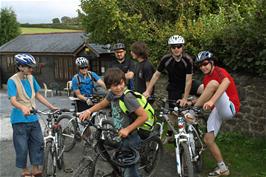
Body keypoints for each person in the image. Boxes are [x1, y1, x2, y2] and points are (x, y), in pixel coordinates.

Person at [80, 68, 147, 177]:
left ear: (124, 82)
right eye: (115, 85)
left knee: (130, 170)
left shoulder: (128, 98)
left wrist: (127, 129)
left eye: (121, 83)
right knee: (120, 159)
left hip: (131, 136)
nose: (119, 87)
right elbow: (102, 104)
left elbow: (144, 116)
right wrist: (89, 111)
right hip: (120, 134)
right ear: (109, 87)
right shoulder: (112, 94)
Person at [7, 53, 58, 177]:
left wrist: (51, 106)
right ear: (20, 67)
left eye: (32, 67)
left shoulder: (31, 78)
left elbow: (38, 95)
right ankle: (24, 170)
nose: (31, 69)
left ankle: (35, 168)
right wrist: (22, 107)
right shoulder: (12, 81)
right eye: (29, 67)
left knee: (38, 143)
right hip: (19, 120)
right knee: (22, 147)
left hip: (33, 118)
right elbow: (13, 100)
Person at [192, 51, 240, 177]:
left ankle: (193, 112)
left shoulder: (218, 71)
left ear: (212, 62)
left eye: (205, 63)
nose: (203, 67)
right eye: (200, 65)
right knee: (208, 139)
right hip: (218, 109)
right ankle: (223, 169)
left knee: (213, 83)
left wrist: (211, 101)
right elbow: (206, 95)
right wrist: (191, 101)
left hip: (230, 107)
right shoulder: (206, 78)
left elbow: (226, 83)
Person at [143, 35, 202, 107]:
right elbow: (156, 75)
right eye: (173, 47)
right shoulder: (166, 59)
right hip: (174, 86)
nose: (176, 49)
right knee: (173, 110)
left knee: (204, 88)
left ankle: (192, 102)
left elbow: (188, 80)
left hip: (186, 82)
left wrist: (185, 98)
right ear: (170, 48)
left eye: (179, 46)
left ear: (182, 47)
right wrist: (148, 90)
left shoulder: (187, 60)